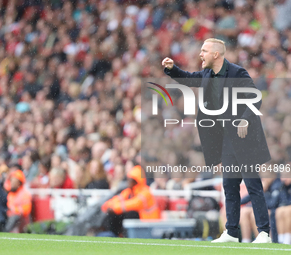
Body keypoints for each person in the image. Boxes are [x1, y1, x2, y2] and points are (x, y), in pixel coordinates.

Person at [162, 38, 271, 243]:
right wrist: (172, 69)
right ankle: (231, 232)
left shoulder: (237, 73)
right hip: (226, 140)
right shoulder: (206, 74)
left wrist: (245, 120)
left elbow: (255, 97)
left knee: (252, 184)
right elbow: (187, 78)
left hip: (244, 138)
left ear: (216, 54)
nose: (200, 54)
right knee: (229, 186)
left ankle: (264, 232)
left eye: (204, 50)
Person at [101, 165, 160, 236]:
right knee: (113, 215)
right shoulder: (129, 191)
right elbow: (116, 199)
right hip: (139, 223)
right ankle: (110, 234)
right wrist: (108, 206)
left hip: (148, 224)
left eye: (131, 180)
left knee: (131, 213)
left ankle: (122, 235)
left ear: (137, 181)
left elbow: (134, 204)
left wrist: (113, 208)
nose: (128, 182)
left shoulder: (146, 192)